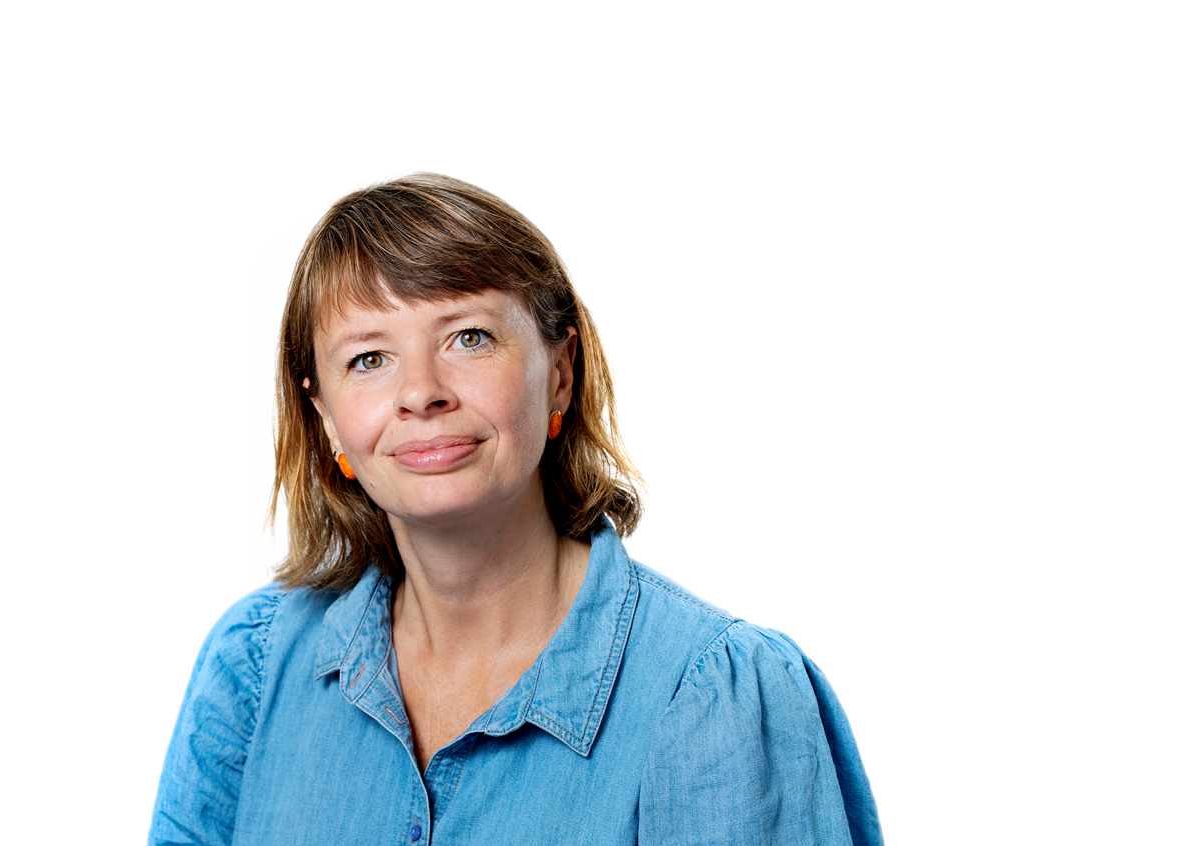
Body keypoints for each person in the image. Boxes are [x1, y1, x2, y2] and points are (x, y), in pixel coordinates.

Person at [149, 173, 882, 845]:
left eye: (468, 337)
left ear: (560, 374)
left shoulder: (713, 697)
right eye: (368, 358)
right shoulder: (252, 667)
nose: (421, 392)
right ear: (328, 419)